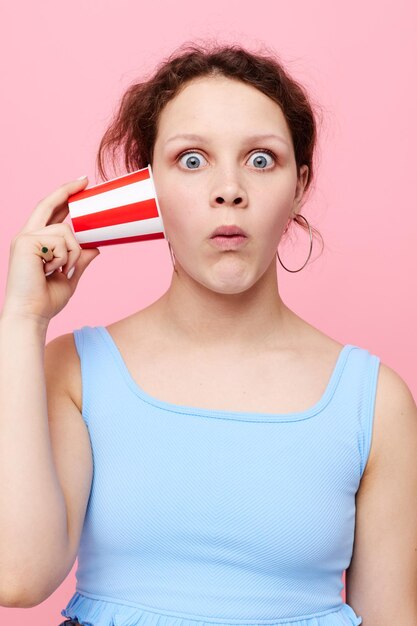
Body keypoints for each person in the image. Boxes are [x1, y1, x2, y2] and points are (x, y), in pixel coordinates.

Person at [1, 42, 416, 626]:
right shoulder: (73, 370)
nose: (229, 189)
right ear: (148, 191)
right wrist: (23, 320)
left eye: (261, 159)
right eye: (192, 160)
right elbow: (16, 575)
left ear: (300, 185)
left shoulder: (375, 401)